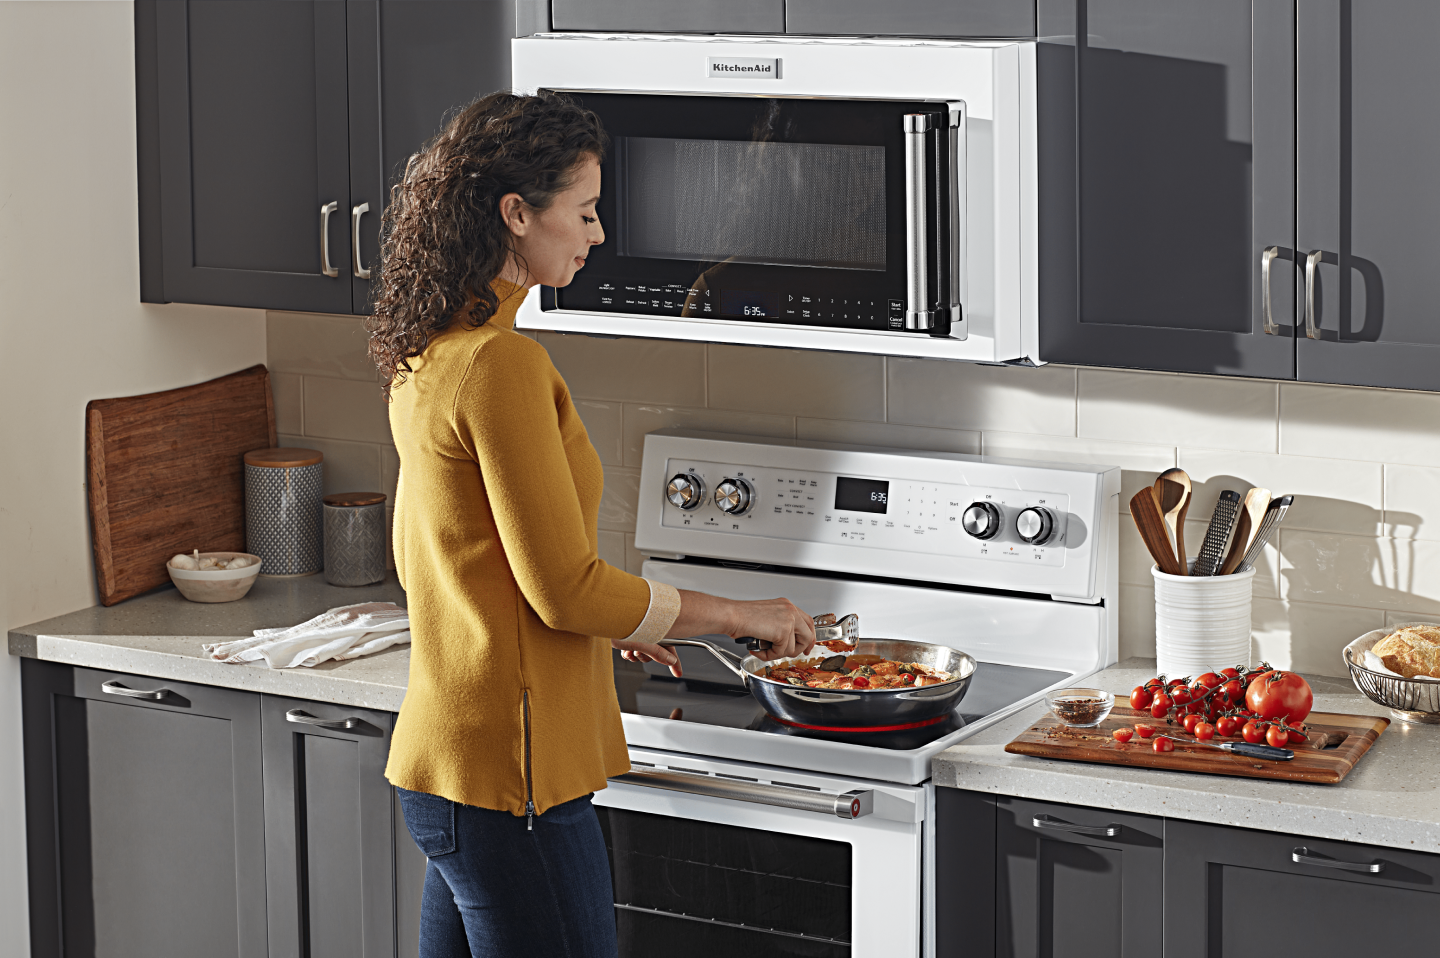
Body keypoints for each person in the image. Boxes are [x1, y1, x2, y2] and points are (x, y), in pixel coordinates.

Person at [366, 91, 818, 958]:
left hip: (456, 764)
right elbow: (564, 589)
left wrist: (620, 624)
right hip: (514, 780)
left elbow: (473, 560)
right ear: (516, 213)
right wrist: (738, 613)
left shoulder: (432, 349)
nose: (597, 233)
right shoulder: (500, 364)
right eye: (583, 211)